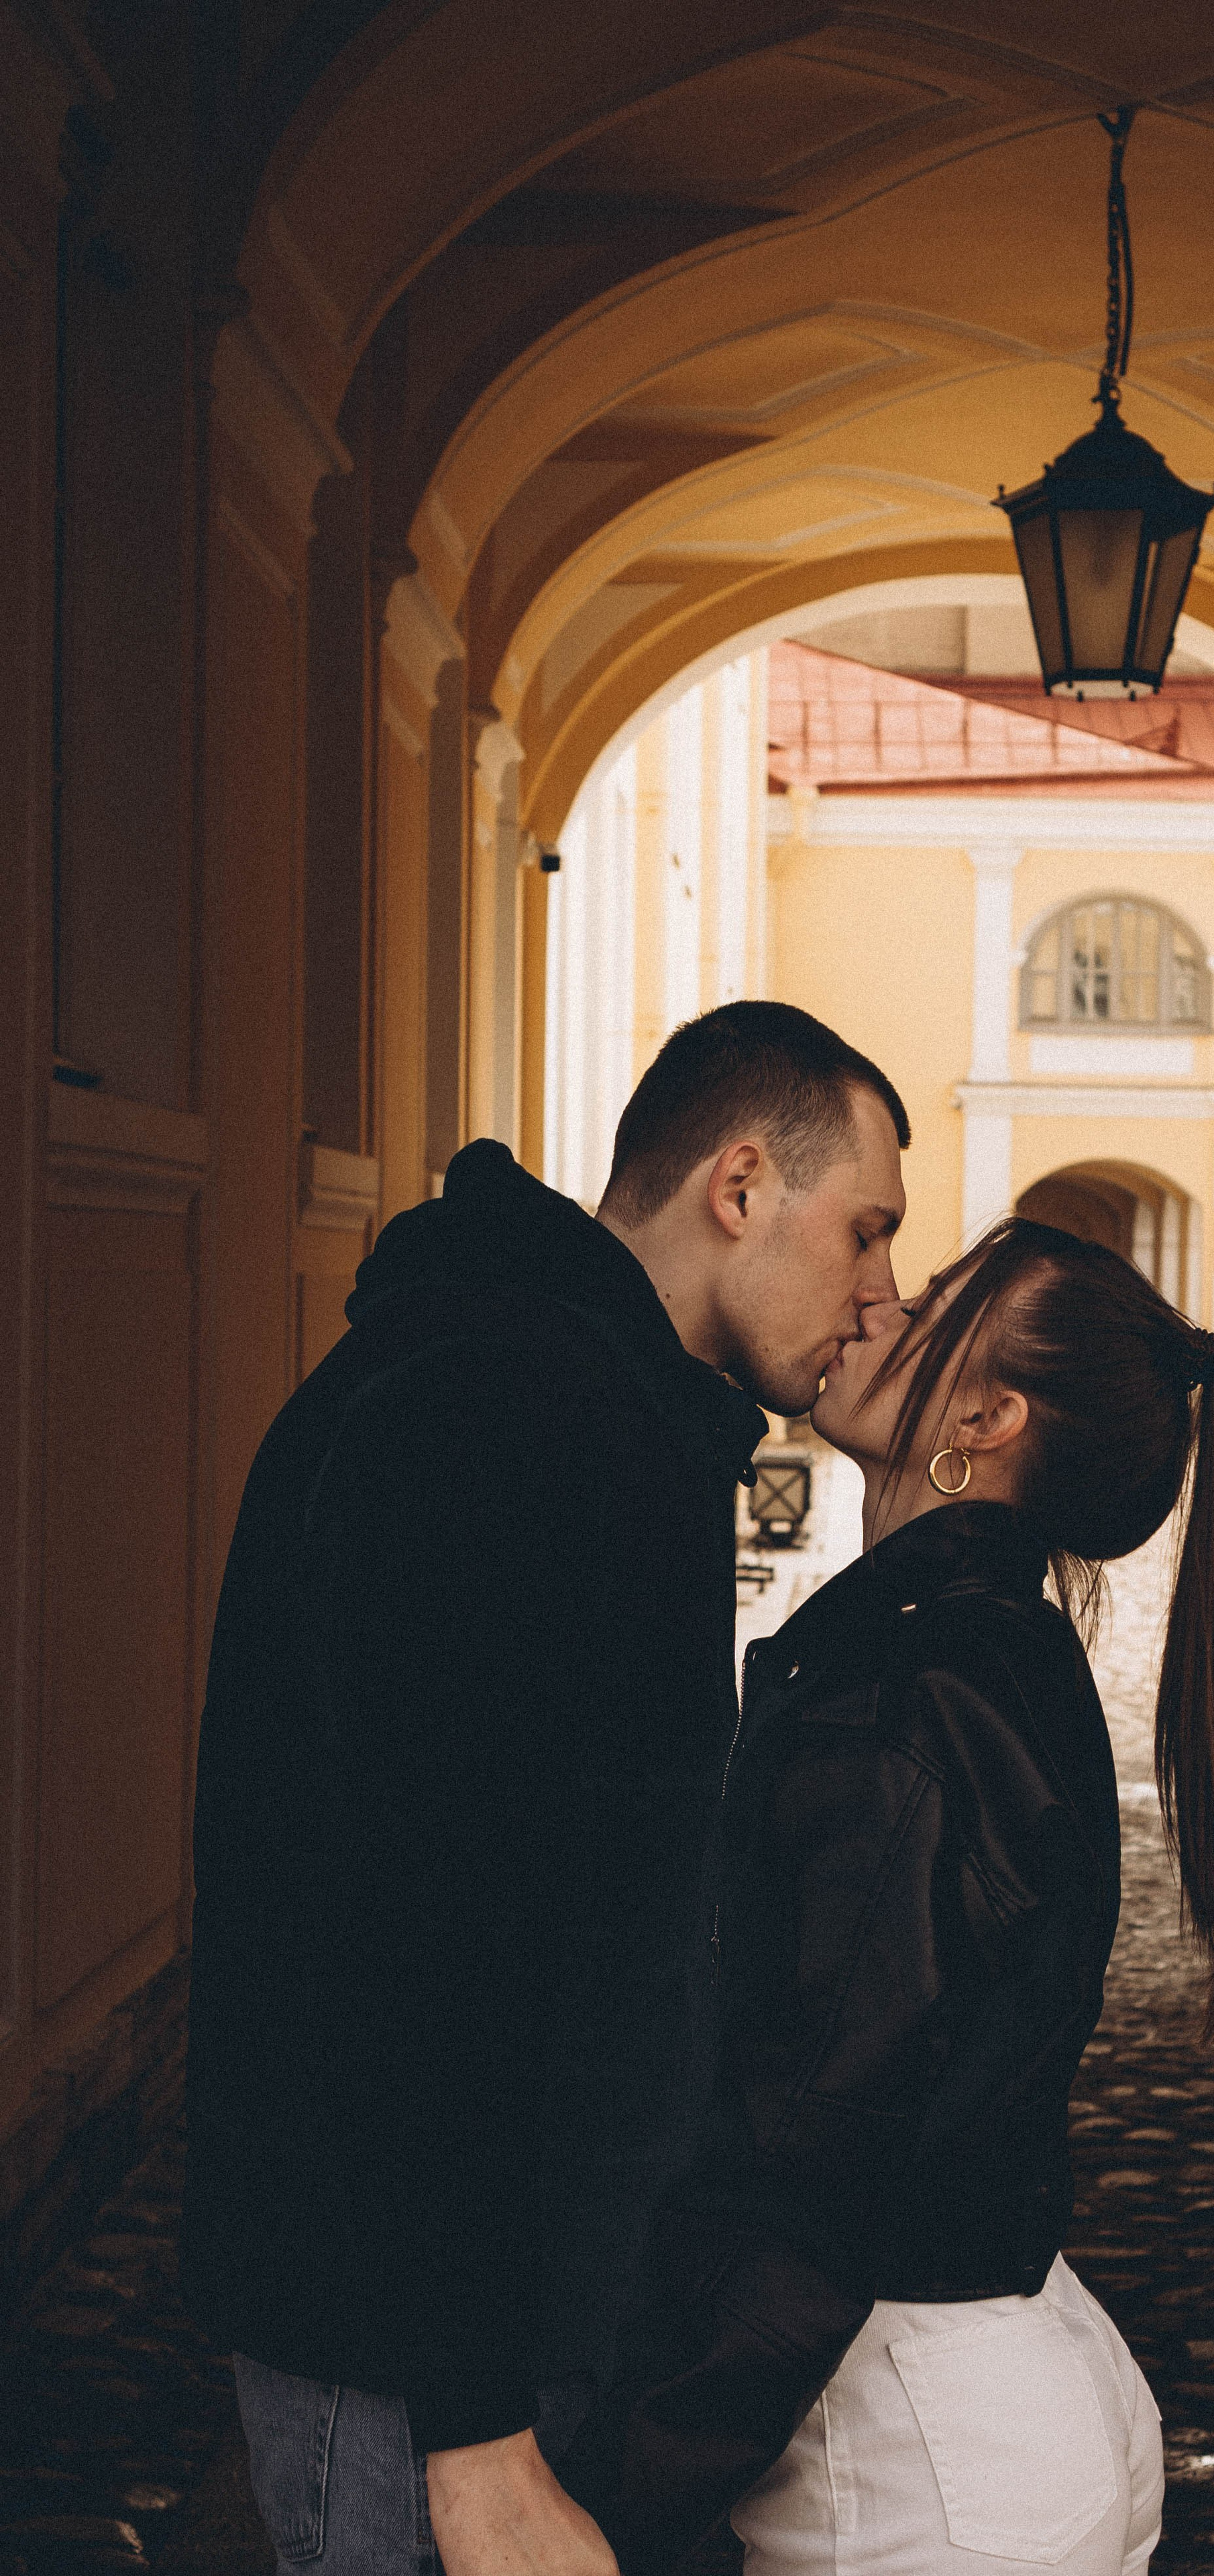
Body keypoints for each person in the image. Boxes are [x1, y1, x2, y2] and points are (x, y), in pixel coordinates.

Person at [182, 1002, 910, 2576]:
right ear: (736, 1186)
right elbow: (418, 1946)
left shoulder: (591, 1411)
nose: (883, 1293)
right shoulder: (497, 1422)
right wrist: (474, 2431)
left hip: (498, 2325)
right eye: (865, 1231)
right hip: (412, 2358)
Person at [566, 1215, 1214, 2575]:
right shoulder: (978, 1651)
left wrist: (604, 2492)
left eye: (934, 1299)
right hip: (987, 2405)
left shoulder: (912, 1690)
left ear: (989, 1411)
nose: (880, 1302)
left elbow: (810, 2155)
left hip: (921, 2467)